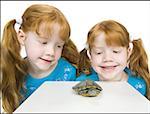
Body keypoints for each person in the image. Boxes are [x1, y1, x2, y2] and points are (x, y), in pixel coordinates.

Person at [1, 4, 79, 112]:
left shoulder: (69, 73)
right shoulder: (15, 73)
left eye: (59, 46)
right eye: (43, 42)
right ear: (22, 37)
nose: (51, 52)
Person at [76, 20, 150, 100]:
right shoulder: (82, 84)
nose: (107, 59)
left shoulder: (137, 86)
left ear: (128, 52)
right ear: (90, 55)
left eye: (116, 51)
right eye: (99, 53)